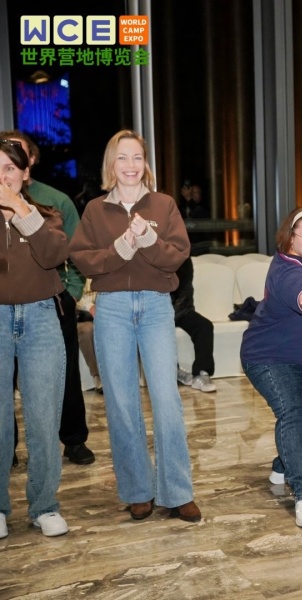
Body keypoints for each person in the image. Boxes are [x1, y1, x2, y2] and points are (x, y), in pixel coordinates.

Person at [69, 129, 200, 523]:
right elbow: (84, 259)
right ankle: (137, 491)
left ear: (146, 163)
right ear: (111, 164)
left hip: (156, 306)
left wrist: (146, 240)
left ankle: (177, 491)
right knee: (122, 402)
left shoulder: (163, 205)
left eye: (137, 157)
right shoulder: (95, 210)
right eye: (122, 157)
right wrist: (122, 247)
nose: (130, 165)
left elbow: (176, 256)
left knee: (167, 399)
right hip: (112, 308)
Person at [240, 126, 302, 528]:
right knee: (295, 413)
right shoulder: (288, 270)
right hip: (271, 358)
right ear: (290, 239)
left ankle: (286, 461)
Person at [0, 130, 95, 466]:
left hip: (50, 302)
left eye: (13, 163)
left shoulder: (54, 201)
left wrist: (69, 292)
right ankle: (8, 451)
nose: (5, 173)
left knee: (62, 378)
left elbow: (73, 251)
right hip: (6, 309)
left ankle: (73, 439)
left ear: (29, 163)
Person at [0, 138, 70, 538]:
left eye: (9, 168)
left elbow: (54, 255)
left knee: (43, 416)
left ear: (25, 173)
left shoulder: (46, 215)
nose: (2, 177)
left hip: (41, 317)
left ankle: (44, 505)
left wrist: (20, 209)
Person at [173, 256, 217, 393]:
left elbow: (183, 288)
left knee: (204, 326)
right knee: (161, 332)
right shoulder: (154, 257)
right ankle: (173, 371)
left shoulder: (184, 259)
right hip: (158, 313)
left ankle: (201, 373)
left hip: (182, 310)